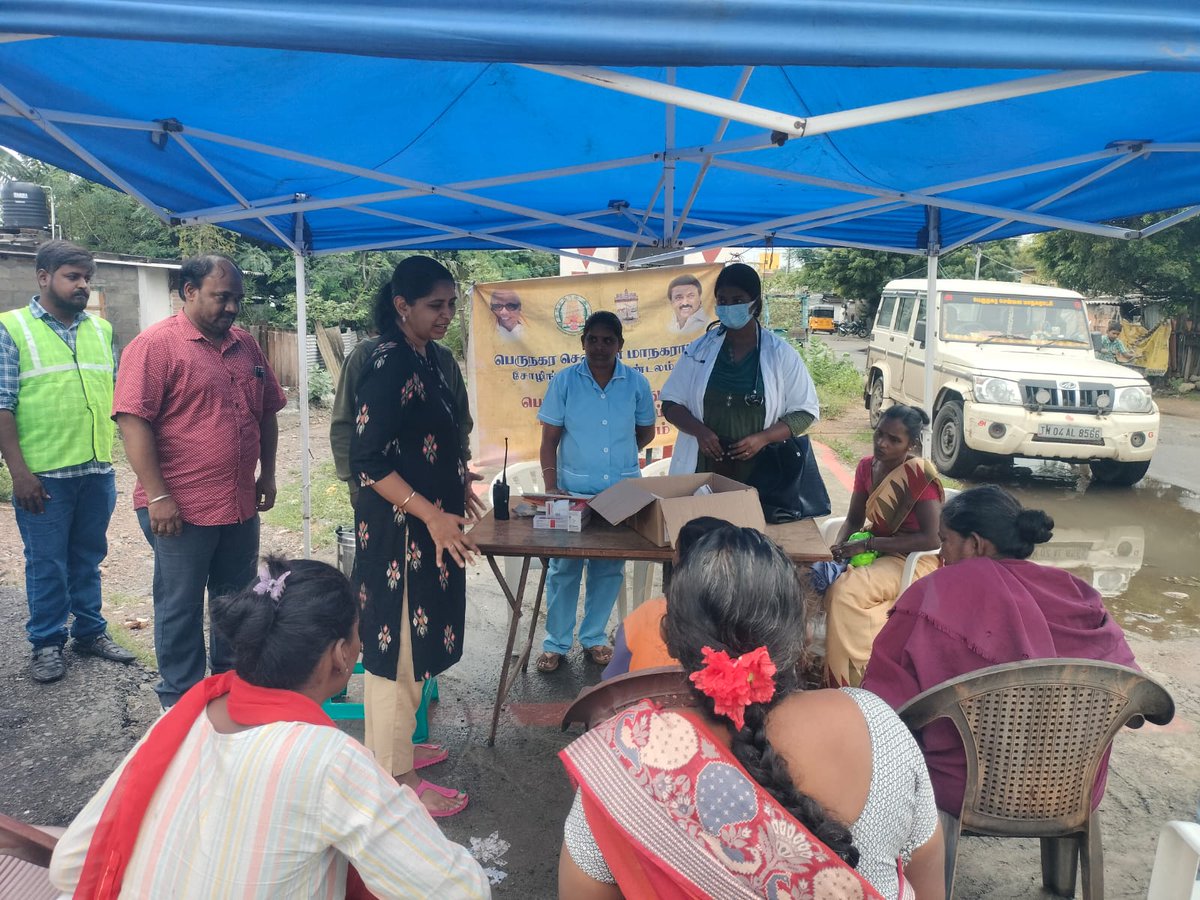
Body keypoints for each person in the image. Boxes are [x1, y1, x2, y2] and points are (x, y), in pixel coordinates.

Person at [48, 556, 491, 899]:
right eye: (359, 634)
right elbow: (458, 891)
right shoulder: (327, 760)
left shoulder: (186, 715)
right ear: (340, 654)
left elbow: (70, 862)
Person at [558, 525, 944, 900]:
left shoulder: (624, 766)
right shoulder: (879, 726)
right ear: (805, 635)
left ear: (669, 639)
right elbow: (927, 878)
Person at [863, 486, 1137, 829]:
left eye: (945, 540)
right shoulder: (1077, 593)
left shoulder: (934, 594)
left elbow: (881, 706)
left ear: (976, 544)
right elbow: (1134, 704)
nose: (941, 553)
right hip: (1070, 789)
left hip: (963, 788)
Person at [114, 254, 286, 708]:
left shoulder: (246, 344)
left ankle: (228, 686)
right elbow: (133, 421)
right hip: (180, 506)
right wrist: (158, 494)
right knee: (180, 605)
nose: (231, 307)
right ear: (188, 291)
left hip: (238, 501)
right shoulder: (156, 346)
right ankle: (180, 699)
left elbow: (267, 409)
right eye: (221, 296)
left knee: (233, 600)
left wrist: (266, 473)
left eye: (237, 299)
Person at [351, 256, 479, 817]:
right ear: (401, 306)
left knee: (412, 649)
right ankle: (396, 782)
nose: (446, 315)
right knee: (395, 654)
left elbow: (425, 440)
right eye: (435, 305)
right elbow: (369, 461)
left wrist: (455, 486)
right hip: (399, 537)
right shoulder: (389, 361)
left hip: (426, 526)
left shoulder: (426, 357)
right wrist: (430, 513)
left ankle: (396, 747)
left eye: (451, 304)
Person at [0, 240, 135, 683]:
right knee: (46, 562)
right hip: (43, 475)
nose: (83, 285)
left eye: (86, 278)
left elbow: (115, 396)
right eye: (73, 276)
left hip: (96, 469)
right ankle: (45, 642)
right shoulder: (11, 328)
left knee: (88, 556)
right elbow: (2, 405)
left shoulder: (100, 330)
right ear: (43, 277)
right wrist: (19, 473)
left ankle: (90, 633)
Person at [536, 311, 656, 673]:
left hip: (620, 493)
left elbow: (645, 433)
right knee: (563, 569)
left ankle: (594, 638)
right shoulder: (565, 382)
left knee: (608, 567)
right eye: (593, 339)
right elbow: (549, 440)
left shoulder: (635, 383)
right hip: (572, 491)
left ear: (620, 344)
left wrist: (617, 457)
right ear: (582, 342)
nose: (600, 346)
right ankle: (555, 643)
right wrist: (552, 487)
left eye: (608, 340)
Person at [660, 263, 818, 482]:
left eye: (737, 301)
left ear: (755, 304)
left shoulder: (781, 354)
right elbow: (670, 404)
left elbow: (804, 413)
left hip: (759, 470)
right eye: (722, 301)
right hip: (704, 467)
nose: (728, 307)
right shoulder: (698, 350)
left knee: (752, 514)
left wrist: (763, 438)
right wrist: (700, 432)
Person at [824, 405, 943, 688]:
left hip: (912, 558)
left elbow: (933, 538)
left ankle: (858, 680)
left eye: (893, 439)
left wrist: (870, 543)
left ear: (911, 444)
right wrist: (838, 551)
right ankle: (841, 670)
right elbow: (853, 519)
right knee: (826, 580)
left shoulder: (918, 475)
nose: (882, 444)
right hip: (874, 550)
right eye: (879, 434)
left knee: (844, 591)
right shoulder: (867, 466)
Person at [601, 515, 728, 679]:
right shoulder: (749, 624)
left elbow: (610, 679)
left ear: (679, 563)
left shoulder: (647, 614)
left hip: (640, 700)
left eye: (676, 551)